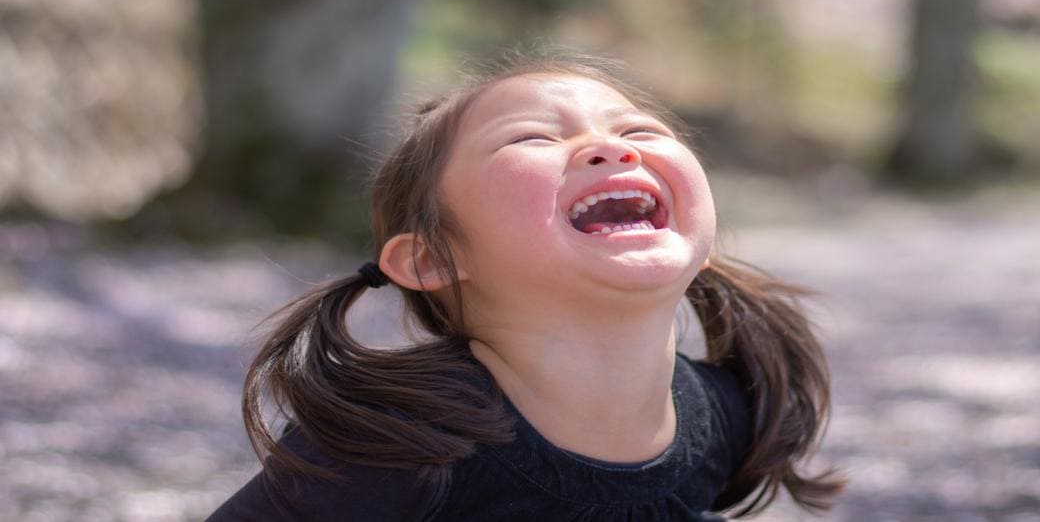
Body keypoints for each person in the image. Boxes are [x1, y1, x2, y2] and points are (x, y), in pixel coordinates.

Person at [208, 52, 843, 521]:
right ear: (433, 258)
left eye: (639, 131)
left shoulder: (727, 413)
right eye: (533, 137)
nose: (609, 147)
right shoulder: (396, 440)